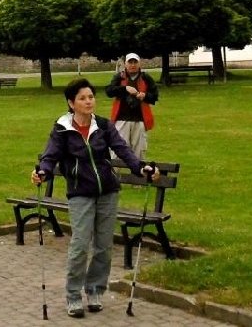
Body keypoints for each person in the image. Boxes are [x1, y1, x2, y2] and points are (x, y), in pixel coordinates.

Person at [31, 77, 158, 318]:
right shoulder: (62, 129)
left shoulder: (103, 125)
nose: (89, 101)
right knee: (80, 245)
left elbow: (122, 149)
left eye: (91, 97)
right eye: (82, 98)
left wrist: (140, 167)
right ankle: (73, 295)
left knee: (103, 247)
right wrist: (42, 172)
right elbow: (50, 156)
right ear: (72, 103)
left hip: (108, 191)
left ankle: (95, 290)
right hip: (80, 193)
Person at [105, 53, 159, 160]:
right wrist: (124, 89)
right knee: (118, 151)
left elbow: (155, 96)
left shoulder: (145, 78)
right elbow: (109, 91)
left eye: (135, 62)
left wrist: (144, 96)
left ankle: (138, 171)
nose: (133, 65)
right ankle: (117, 171)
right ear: (125, 64)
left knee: (139, 153)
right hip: (121, 119)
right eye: (130, 62)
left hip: (139, 120)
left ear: (139, 64)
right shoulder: (119, 77)